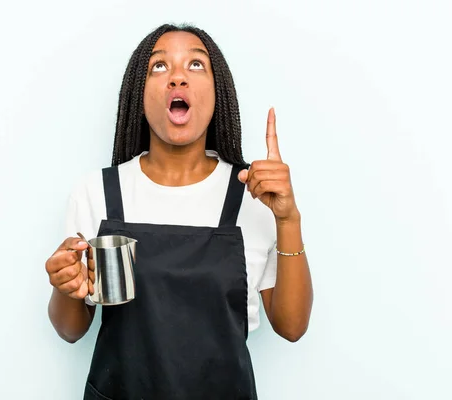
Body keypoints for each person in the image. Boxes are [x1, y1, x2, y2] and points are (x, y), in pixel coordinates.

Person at [45, 23, 313, 400]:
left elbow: (292, 326)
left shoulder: (252, 197)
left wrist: (288, 219)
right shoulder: (98, 193)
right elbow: (70, 330)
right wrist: (66, 288)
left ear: (218, 93)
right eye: (159, 66)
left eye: (196, 65)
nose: (177, 78)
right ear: (138, 93)